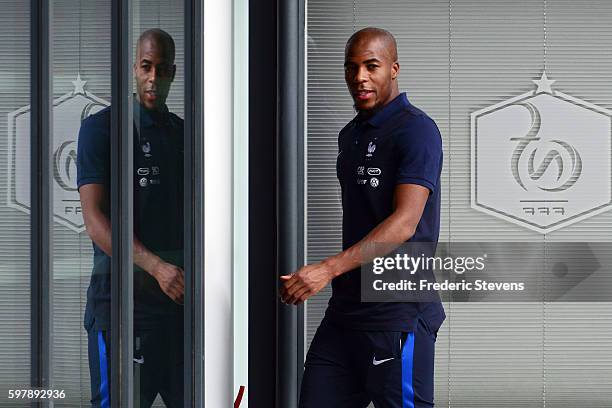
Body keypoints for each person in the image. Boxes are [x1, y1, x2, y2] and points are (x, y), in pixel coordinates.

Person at [281, 27, 446, 407]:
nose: (359, 78)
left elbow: (405, 223)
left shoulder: (417, 131)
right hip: (345, 315)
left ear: (393, 69)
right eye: (351, 68)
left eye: (371, 66)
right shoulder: (350, 135)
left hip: (397, 316)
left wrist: (326, 269)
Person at [77, 28, 185, 407]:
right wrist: (156, 266)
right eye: (145, 66)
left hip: (178, 315)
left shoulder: (183, 135)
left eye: (162, 69)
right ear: (133, 68)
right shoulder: (101, 129)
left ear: (173, 72)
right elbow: (94, 221)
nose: (153, 78)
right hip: (122, 314)